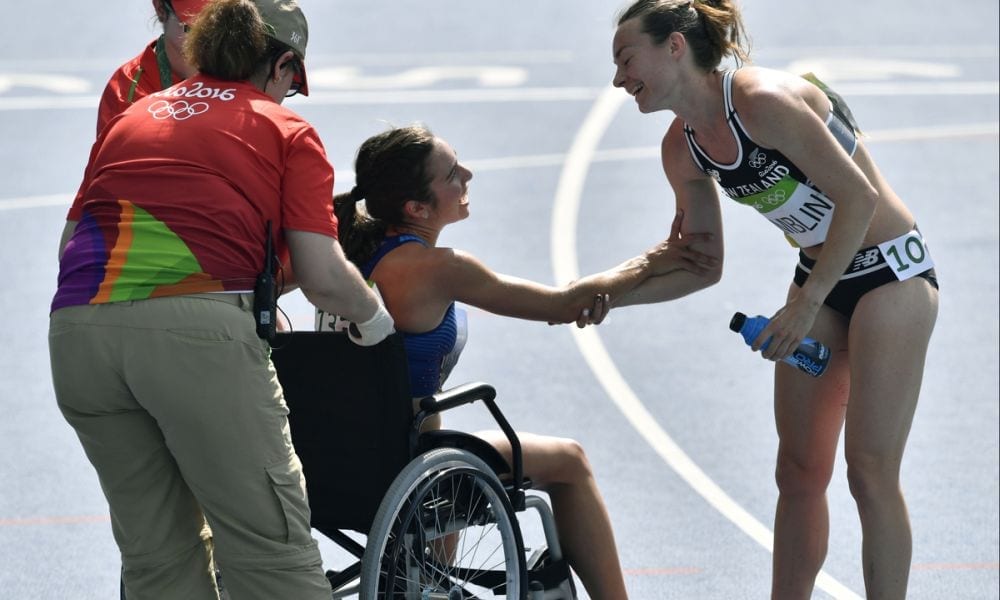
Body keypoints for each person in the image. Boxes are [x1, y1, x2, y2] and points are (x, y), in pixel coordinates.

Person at [48, 1, 394, 599]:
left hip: (78, 334)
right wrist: (376, 321)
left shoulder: (134, 114)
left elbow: (69, 243)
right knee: (271, 550)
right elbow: (322, 275)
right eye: (292, 81)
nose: (288, 96)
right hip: (195, 336)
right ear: (282, 63)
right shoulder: (285, 129)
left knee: (158, 558)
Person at [610, 1, 940, 598]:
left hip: (891, 274)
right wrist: (608, 296)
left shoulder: (762, 102)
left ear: (675, 47)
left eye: (627, 58)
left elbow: (858, 199)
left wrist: (808, 304)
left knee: (868, 471)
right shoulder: (681, 151)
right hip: (819, 278)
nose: (618, 79)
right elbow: (702, 266)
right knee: (798, 472)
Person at [319, 125, 719, 599]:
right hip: (405, 459)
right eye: (452, 173)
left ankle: (421, 577)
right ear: (417, 209)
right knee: (569, 462)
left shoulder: (343, 255)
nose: (468, 174)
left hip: (338, 458)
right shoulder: (439, 268)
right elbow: (563, 305)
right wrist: (653, 260)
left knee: (448, 449)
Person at [95, 0, 211, 136]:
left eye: (220, 21)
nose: (211, 33)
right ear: (160, 9)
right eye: (193, 26)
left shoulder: (241, 73)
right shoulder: (127, 91)